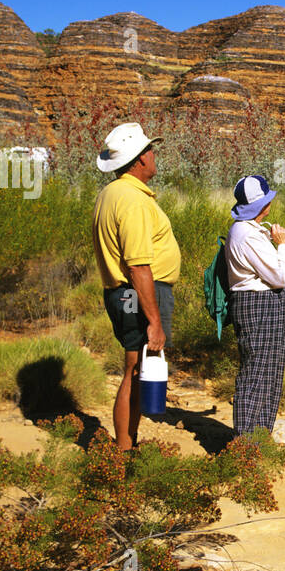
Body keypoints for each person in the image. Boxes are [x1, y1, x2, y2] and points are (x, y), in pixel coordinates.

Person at [91, 122, 180, 450]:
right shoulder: (132, 200)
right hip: (138, 292)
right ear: (140, 159)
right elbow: (138, 263)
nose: (155, 155)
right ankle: (124, 453)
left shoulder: (113, 194)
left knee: (137, 367)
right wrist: (155, 321)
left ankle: (125, 449)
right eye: (150, 150)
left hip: (125, 293)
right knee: (135, 369)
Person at [225, 174, 285, 436]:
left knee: (267, 374)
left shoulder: (246, 231)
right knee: (257, 374)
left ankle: (257, 439)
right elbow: (279, 276)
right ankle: (247, 443)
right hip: (258, 306)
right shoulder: (248, 235)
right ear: (263, 207)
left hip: (259, 303)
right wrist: (284, 245)